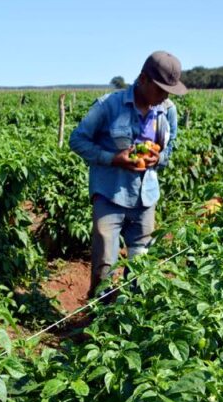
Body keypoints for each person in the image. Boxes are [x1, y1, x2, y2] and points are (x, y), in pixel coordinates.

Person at [69, 51, 187, 299]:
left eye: (169, 91)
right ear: (143, 79)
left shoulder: (167, 110)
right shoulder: (108, 106)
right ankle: (100, 318)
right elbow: (77, 140)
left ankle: (131, 318)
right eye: (161, 89)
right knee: (105, 264)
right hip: (110, 195)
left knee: (140, 266)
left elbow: (171, 144)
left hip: (146, 199)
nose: (165, 96)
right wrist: (113, 158)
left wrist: (160, 157)